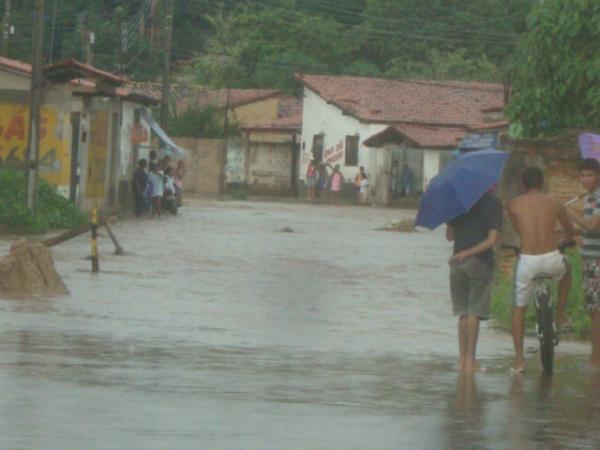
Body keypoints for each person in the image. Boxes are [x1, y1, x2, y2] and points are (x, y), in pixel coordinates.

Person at [507, 166, 576, 373]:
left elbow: (519, 229)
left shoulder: (513, 204)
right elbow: (570, 229)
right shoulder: (555, 202)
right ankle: (561, 315)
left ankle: (519, 361)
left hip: (528, 260)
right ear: (543, 182)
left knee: (518, 308)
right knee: (568, 270)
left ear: (523, 184)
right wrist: (569, 238)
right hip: (551, 258)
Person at [446, 190, 502, 372]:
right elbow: (492, 240)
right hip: (481, 262)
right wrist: (468, 253)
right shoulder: (493, 203)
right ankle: (471, 361)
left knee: (462, 313)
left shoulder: (456, 202)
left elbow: (450, 237)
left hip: (457, 264)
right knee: (474, 312)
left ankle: (461, 361)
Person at [567, 159, 600, 369]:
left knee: (596, 310)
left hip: (597, 260)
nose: (586, 179)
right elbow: (586, 230)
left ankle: (595, 358)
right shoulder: (590, 198)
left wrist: (569, 213)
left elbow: (592, 226)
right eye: (583, 175)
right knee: (591, 309)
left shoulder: (598, 198)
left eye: (590, 174)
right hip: (589, 258)